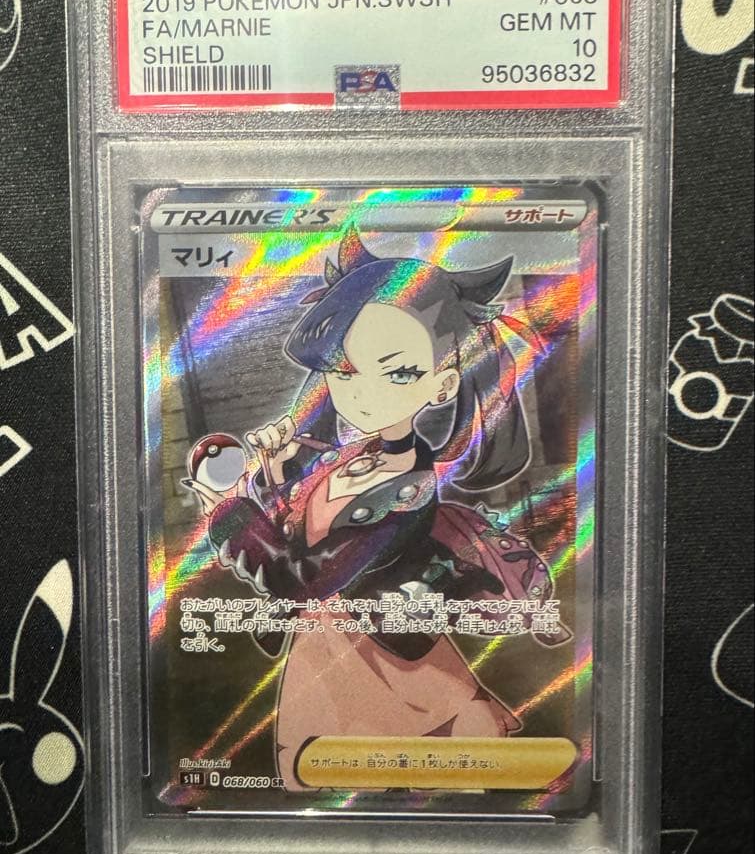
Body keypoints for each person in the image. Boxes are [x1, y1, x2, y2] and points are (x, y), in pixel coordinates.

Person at [185, 227, 569, 790]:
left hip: (383, 655)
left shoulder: (405, 490)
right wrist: (276, 470)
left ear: (442, 386)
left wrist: (228, 513)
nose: (361, 392)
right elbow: (294, 530)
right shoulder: (349, 457)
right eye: (344, 370)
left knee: (421, 774)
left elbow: (301, 578)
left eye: (397, 372)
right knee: (338, 783)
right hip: (328, 650)